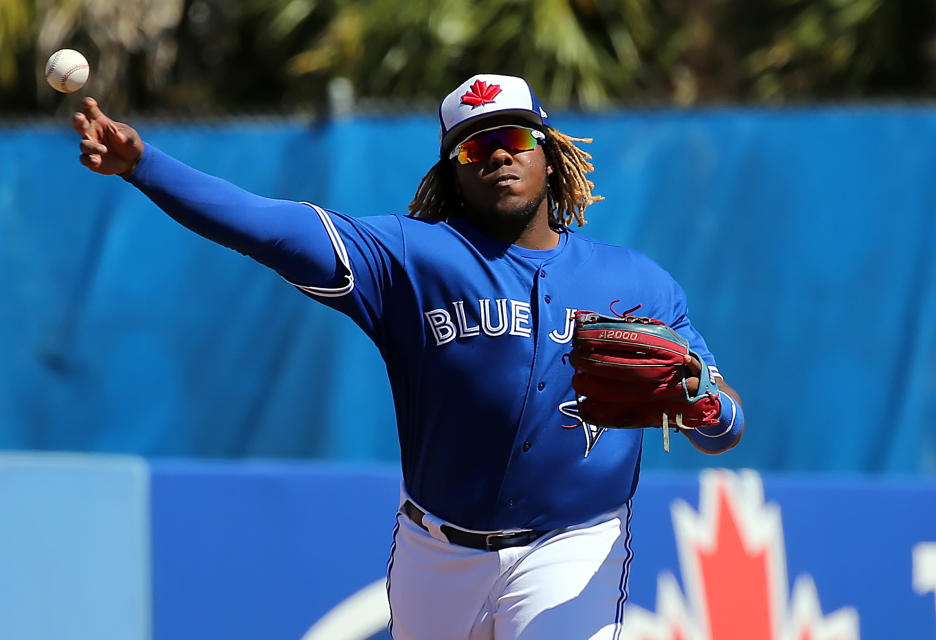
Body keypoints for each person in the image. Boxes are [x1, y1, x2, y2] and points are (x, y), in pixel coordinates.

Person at [72, 73, 744, 640]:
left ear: (551, 153)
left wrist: (699, 401)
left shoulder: (636, 285)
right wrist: (144, 167)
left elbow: (727, 427)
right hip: (436, 552)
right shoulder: (409, 258)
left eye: (514, 139)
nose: (497, 158)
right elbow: (268, 227)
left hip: (573, 544)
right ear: (453, 173)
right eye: (474, 149)